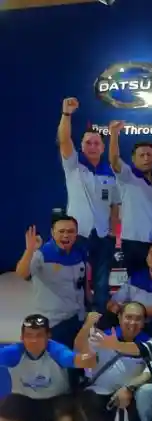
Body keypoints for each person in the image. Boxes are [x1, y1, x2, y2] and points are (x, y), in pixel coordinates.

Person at [57, 97, 120, 314]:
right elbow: (64, 140)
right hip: (78, 234)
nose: (92, 147)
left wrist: (113, 232)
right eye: (88, 143)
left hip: (103, 235)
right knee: (75, 278)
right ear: (81, 146)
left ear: (102, 147)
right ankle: (75, 315)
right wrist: (67, 114)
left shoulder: (110, 173)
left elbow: (115, 204)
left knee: (102, 281)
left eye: (96, 143)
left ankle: (99, 316)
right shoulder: (73, 166)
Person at [0, 314, 96, 421]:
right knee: (10, 404)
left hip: (55, 401)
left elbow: (73, 359)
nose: (34, 340)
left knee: (66, 408)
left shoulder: (56, 351)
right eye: (29, 335)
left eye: (39, 335)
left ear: (48, 336)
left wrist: (86, 359)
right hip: (25, 402)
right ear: (22, 338)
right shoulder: (14, 353)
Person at [108, 121, 152, 276]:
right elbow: (114, 160)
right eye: (141, 155)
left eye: (149, 155)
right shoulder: (127, 177)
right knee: (137, 285)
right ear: (133, 159)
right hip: (134, 243)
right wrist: (114, 134)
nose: (146, 158)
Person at [15, 216, 87, 348]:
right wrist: (29, 250)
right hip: (54, 323)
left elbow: (82, 283)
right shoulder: (42, 254)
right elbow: (21, 274)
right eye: (61, 231)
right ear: (52, 233)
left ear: (76, 234)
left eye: (70, 231)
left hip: (77, 318)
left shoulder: (79, 253)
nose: (66, 235)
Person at [74, 304, 150, 421]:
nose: (132, 323)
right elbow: (79, 351)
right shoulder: (103, 336)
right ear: (119, 317)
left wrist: (129, 389)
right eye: (128, 317)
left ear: (144, 322)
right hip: (97, 394)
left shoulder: (149, 344)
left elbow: (151, 371)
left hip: (128, 396)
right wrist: (87, 325)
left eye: (138, 319)